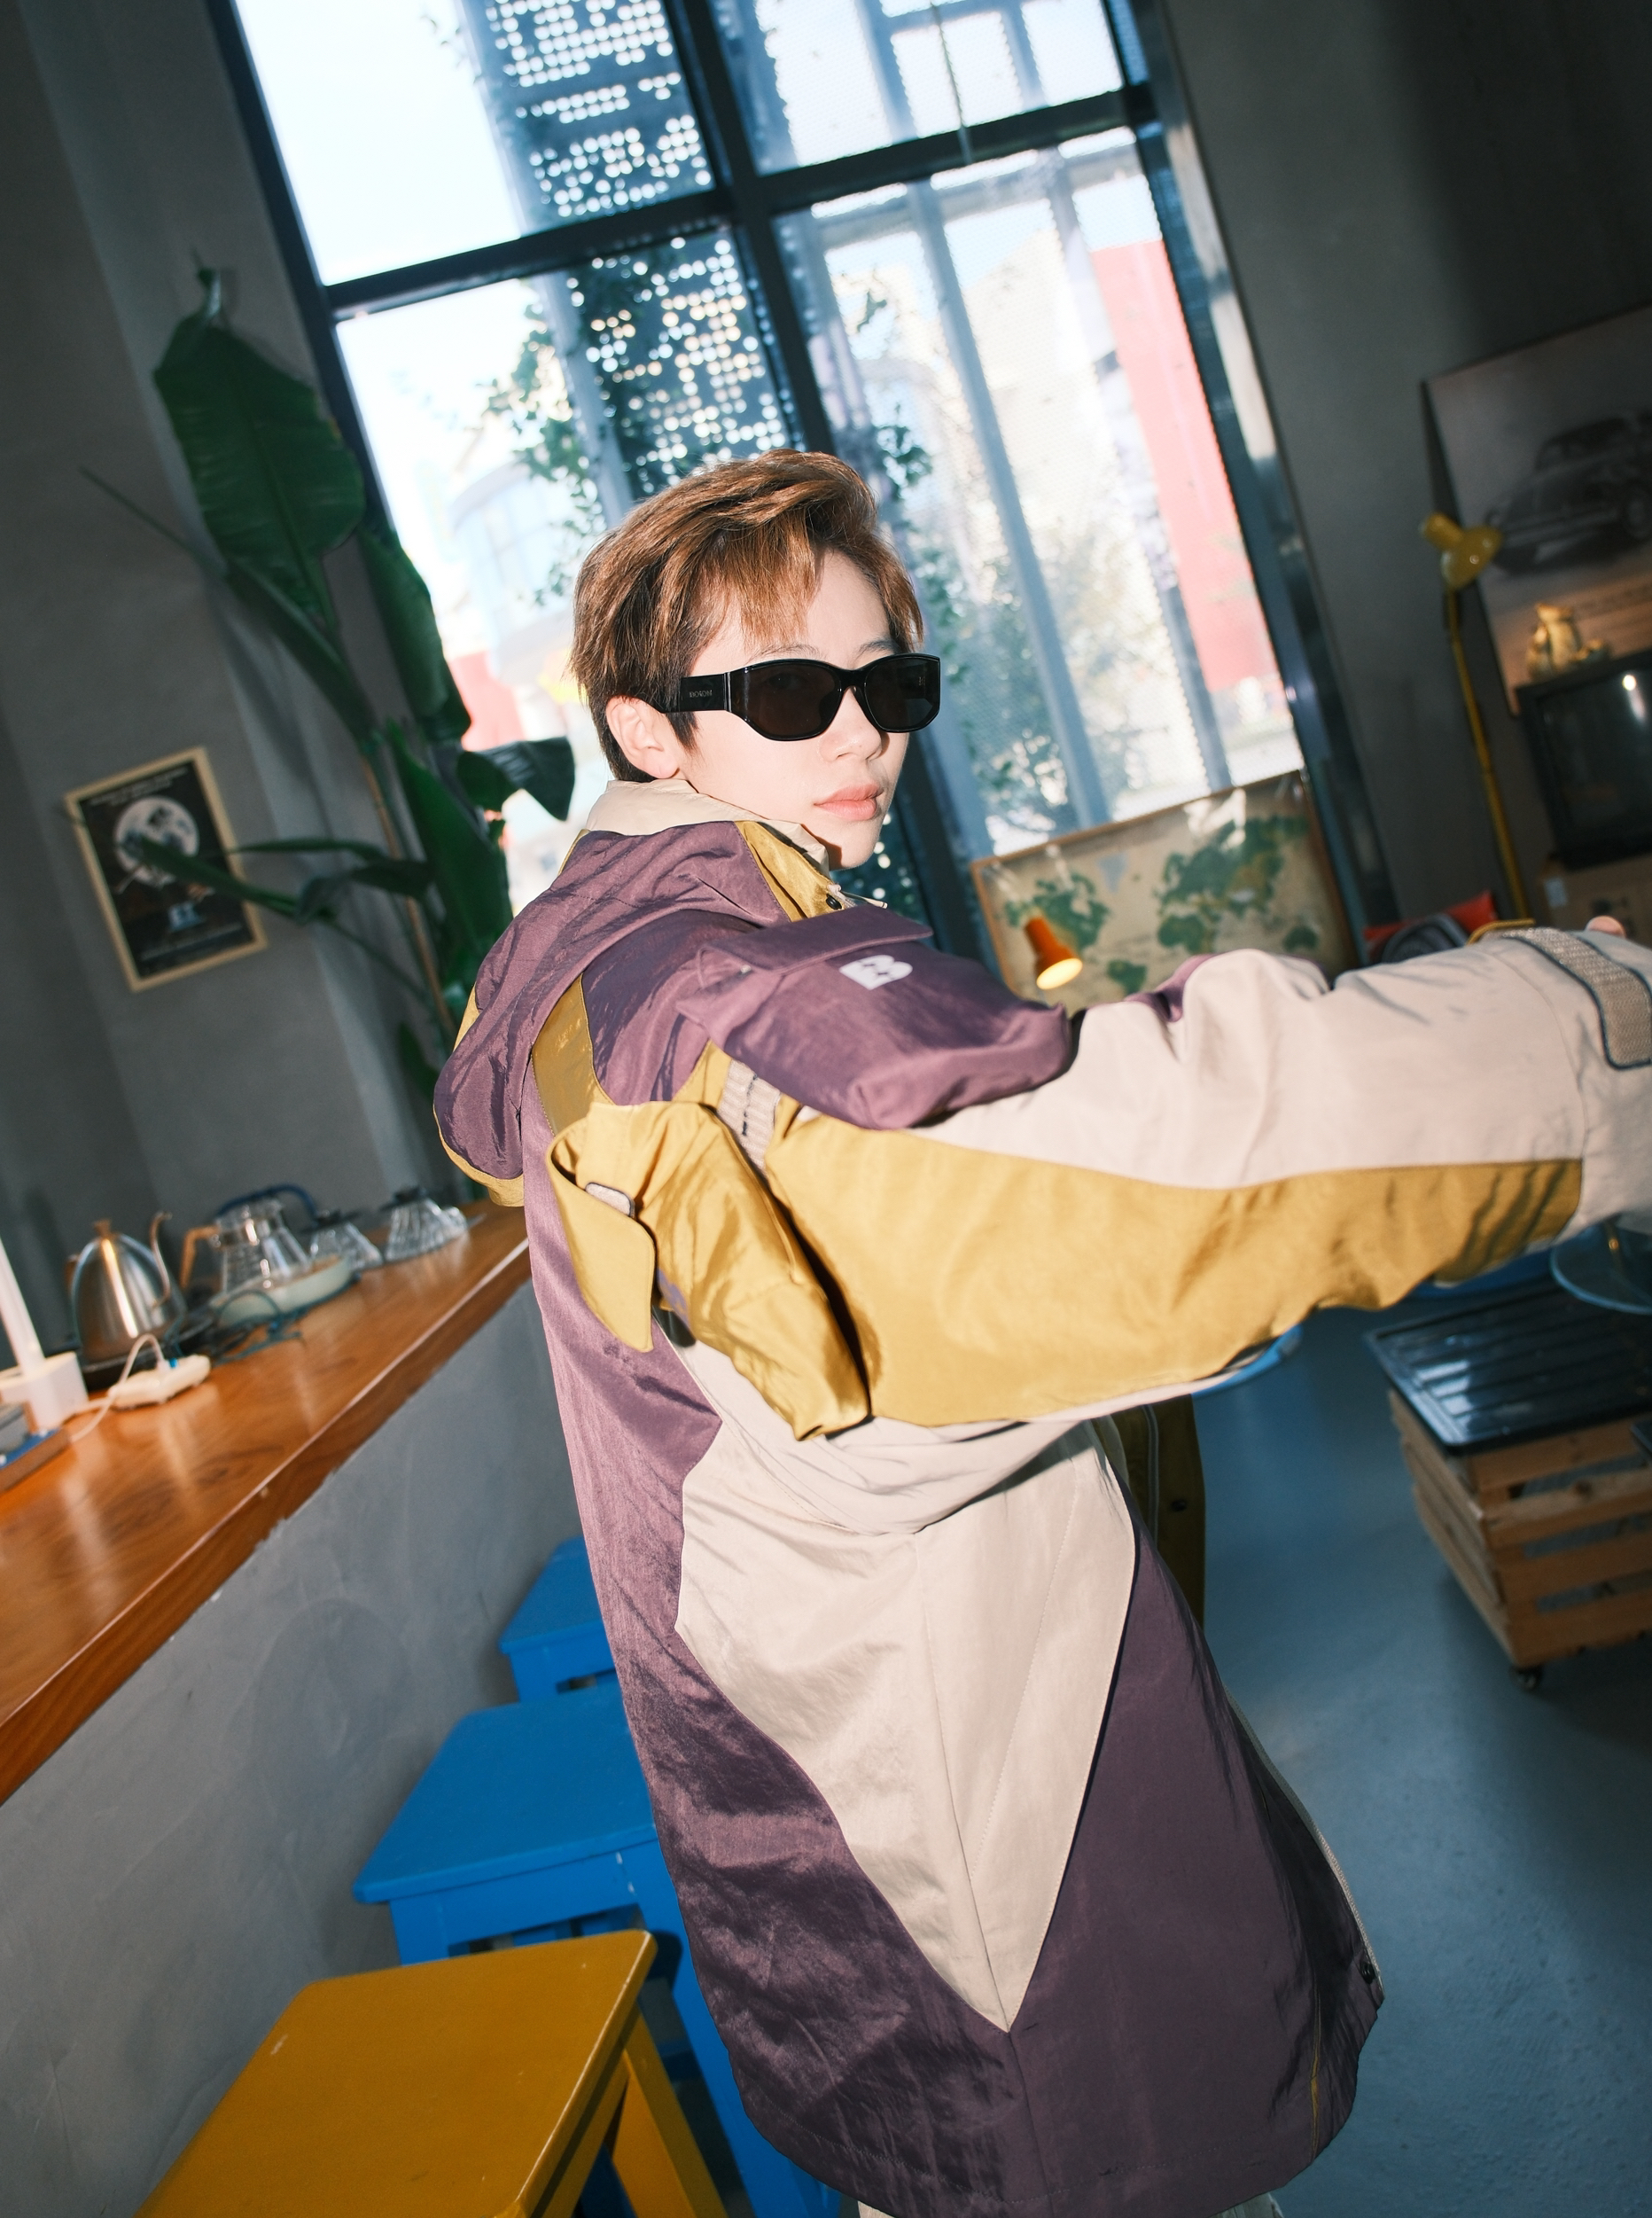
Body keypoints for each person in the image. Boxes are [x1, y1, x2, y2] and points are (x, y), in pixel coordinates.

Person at [437, 451, 1652, 2218]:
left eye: (892, 686)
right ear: (644, 730)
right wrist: (1594, 1015)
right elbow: (1167, 1166)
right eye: (789, 695)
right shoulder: (729, 995)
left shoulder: (599, 964)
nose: (862, 736)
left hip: (827, 1771)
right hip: (963, 1826)